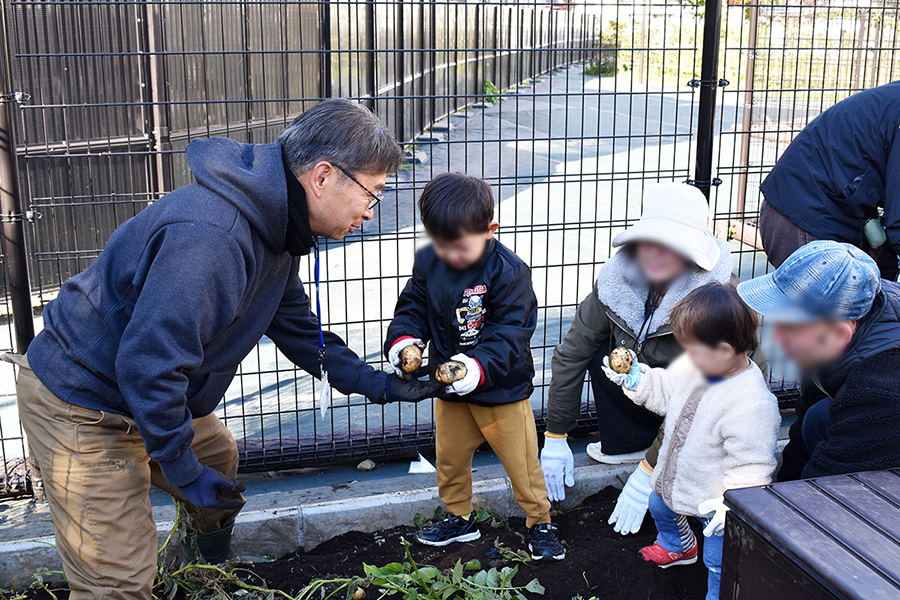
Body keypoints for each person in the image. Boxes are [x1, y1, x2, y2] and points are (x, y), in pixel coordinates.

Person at [7, 99, 434, 600]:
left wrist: (381, 386)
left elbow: (300, 332)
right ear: (322, 177)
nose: (370, 211)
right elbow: (148, 366)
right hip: (83, 403)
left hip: (148, 395)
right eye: (372, 192)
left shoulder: (276, 228)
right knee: (116, 583)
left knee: (217, 458)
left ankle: (198, 572)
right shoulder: (214, 239)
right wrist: (183, 471)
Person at [540, 183, 764, 517]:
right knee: (599, 349)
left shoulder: (718, 300)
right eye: (650, 243)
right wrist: (556, 435)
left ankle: (662, 456)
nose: (656, 255)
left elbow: (703, 398)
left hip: (705, 417)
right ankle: (629, 441)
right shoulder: (616, 281)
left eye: (671, 246)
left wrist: (649, 471)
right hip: (645, 395)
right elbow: (572, 353)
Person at [379, 172, 565, 561]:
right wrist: (403, 341)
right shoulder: (430, 263)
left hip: (501, 390)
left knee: (521, 463)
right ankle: (460, 517)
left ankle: (540, 520)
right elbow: (413, 307)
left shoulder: (508, 271)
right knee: (449, 458)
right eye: (441, 245)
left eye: (461, 247)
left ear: (490, 230)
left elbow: (510, 333)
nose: (451, 256)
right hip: (448, 389)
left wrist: (475, 367)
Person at [603, 284, 780, 600]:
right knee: (658, 504)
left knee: (718, 555)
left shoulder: (751, 404)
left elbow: (752, 465)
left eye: (692, 350)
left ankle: (718, 592)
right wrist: (637, 379)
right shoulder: (700, 366)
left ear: (724, 351)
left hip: (716, 500)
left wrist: (732, 507)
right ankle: (678, 545)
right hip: (679, 478)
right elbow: (667, 388)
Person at [737, 240, 900, 481]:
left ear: (839, 335)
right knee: (816, 417)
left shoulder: (880, 391)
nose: (776, 337)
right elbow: (802, 430)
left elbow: (831, 478)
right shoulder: (861, 305)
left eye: (790, 326)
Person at [758, 81, 900, 280]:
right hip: (808, 217)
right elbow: (897, 224)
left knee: (880, 283)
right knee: (828, 298)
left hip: (827, 210)